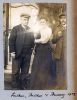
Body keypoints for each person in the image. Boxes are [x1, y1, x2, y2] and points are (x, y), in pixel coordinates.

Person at [9, 13, 34, 89]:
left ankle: (23, 85)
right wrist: (12, 52)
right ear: (21, 20)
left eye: (27, 20)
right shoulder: (15, 28)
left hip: (27, 54)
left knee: (25, 71)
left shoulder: (30, 29)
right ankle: (15, 86)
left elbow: (32, 41)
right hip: (17, 53)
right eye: (24, 19)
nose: (26, 21)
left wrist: (32, 49)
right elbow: (11, 41)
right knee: (15, 71)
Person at [30, 18, 56, 90]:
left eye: (43, 22)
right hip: (39, 50)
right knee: (36, 67)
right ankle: (35, 86)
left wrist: (35, 40)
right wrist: (35, 47)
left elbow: (44, 40)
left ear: (46, 22)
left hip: (45, 50)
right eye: (41, 22)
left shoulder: (49, 29)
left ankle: (43, 86)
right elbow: (38, 39)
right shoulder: (39, 30)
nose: (42, 23)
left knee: (44, 67)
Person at [52, 13, 67, 89]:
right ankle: (59, 85)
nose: (63, 20)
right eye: (61, 18)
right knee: (59, 70)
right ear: (60, 20)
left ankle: (66, 86)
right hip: (59, 53)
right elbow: (53, 40)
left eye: (65, 18)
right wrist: (58, 35)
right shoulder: (57, 28)